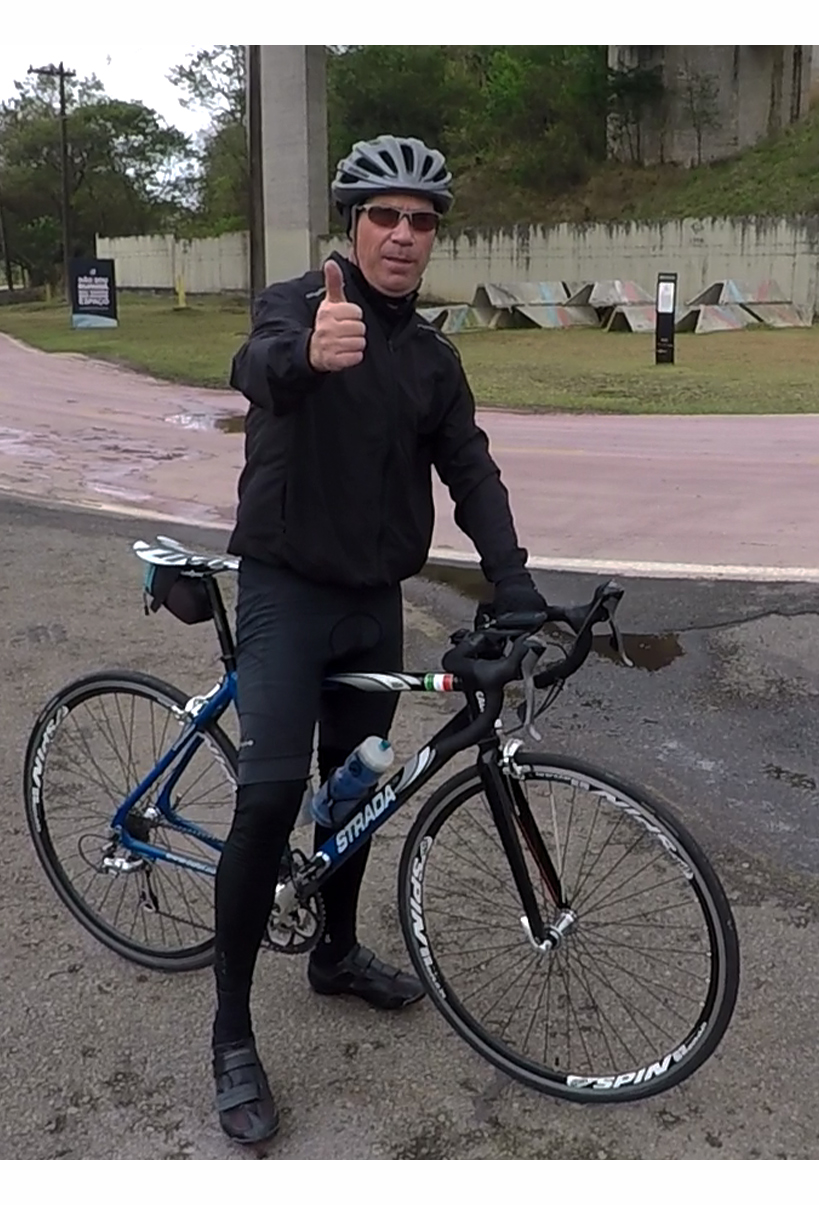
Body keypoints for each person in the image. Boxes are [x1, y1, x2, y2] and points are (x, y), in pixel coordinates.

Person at [211, 133, 547, 1145]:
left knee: (355, 789)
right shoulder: (298, 306)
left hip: (370, 599)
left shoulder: (433, 359)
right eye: (384, 216)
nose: (403, 235)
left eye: (421, 220)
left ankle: (334, 951)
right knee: (270, 798)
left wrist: (515, 582)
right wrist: (306, 355)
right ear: (352, 226)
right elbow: (254, 367)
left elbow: (470, 469)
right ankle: (230, 1032)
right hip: (284, 588)